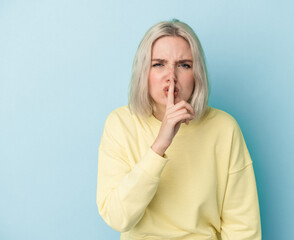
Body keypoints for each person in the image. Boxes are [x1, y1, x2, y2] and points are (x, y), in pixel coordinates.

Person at [96, 19, 262, 240]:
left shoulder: (224, 128)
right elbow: (118, 217)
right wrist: (159, 147)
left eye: (184, 65)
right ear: (143, 72)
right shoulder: (120, 123)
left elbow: (243, 227)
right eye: (158, 64)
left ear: (197, 75)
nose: (171, 75)